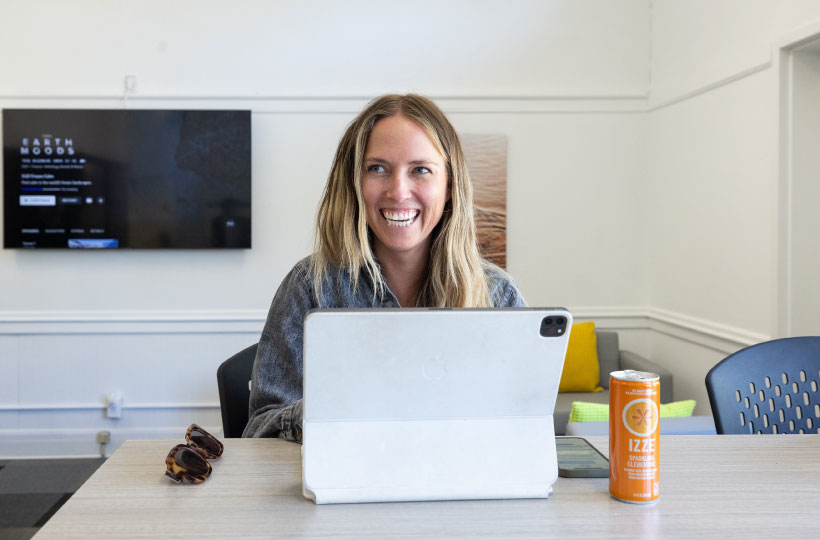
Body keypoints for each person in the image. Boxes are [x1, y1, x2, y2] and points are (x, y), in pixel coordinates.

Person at [243, 94, 525, 441]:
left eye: (420, 170)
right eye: (377, 168)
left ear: (449, 186)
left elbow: (523, 428)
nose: (398, 191)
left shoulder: (499, 295)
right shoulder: (310, 287)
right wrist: (340, 405)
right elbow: (258, 432)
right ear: (355, 182)